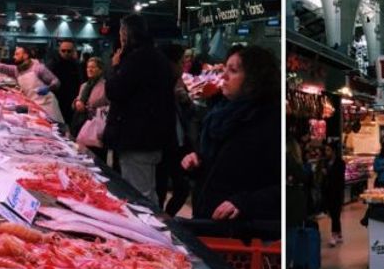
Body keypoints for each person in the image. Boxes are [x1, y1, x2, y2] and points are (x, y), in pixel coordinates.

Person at [182, 46, 280, 222]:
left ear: (254, 79)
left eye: (233, 71)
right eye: (225, 69)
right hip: (207, 221)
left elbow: (280, 188)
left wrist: (244, 203)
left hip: (243, 229)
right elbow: (217, 170)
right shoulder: (219, 115)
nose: (223, 76)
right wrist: (196, 163)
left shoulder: (269, 121)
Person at [104, 14, 175, 211]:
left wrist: (114, 67)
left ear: (127, 33)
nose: (120, 36)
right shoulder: (157, 57)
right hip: (152, 138)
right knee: (146, 191)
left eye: (121, 31)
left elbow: (114, 91)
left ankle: (150, 228)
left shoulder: (136, 59)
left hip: (137, 139)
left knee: (139, 195)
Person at [155, 43, 193, 217]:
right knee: (160, 190)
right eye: (181, 61)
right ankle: (161, 221)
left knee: (182, 188)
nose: (183, 66)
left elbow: (188, 111)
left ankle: (166, 218)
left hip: (178, 145)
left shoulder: (177, 82)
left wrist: (185, 100)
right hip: (162, 146)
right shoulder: (158, 86)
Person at [0, 46, 64, 123]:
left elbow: (56, 82)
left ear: (25, 56)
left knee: (57, 129)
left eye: (17, 54)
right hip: (34, 106)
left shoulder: (38, 68)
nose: (13, 57)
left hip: (48, 106)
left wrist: (48, 88)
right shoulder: (16, 70)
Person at [72, 57, 109, 161]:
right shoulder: (84, 85)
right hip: (80, 124)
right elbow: (77, 99)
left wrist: (91, 109)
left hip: (96, 128)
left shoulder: (106, 86)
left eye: (93, 67)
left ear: (100, 70)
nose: (89, 69)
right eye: (88, 67)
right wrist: (77, 103)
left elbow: (110, 106)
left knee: (96, 158)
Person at [48, 39, 85, 130]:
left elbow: (82, 83)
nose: (66, 53)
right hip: (56, 101)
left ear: (73, 51)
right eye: (63, 51)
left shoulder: (78, 66)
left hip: (72, 101)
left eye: (69, 51)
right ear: (59, 51)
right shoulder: (52, 64)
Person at [322, 143, 346, 246]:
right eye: (325, 150)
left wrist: (327, 173)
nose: (326, 152)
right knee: (333, 214)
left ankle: (334, 235)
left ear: (333, 151)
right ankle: (339, 234)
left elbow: (339, 177)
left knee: (335, 214)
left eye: (328, 150)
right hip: (328, 191)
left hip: (337, 191)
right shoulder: (325, 162)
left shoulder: (340, 163)